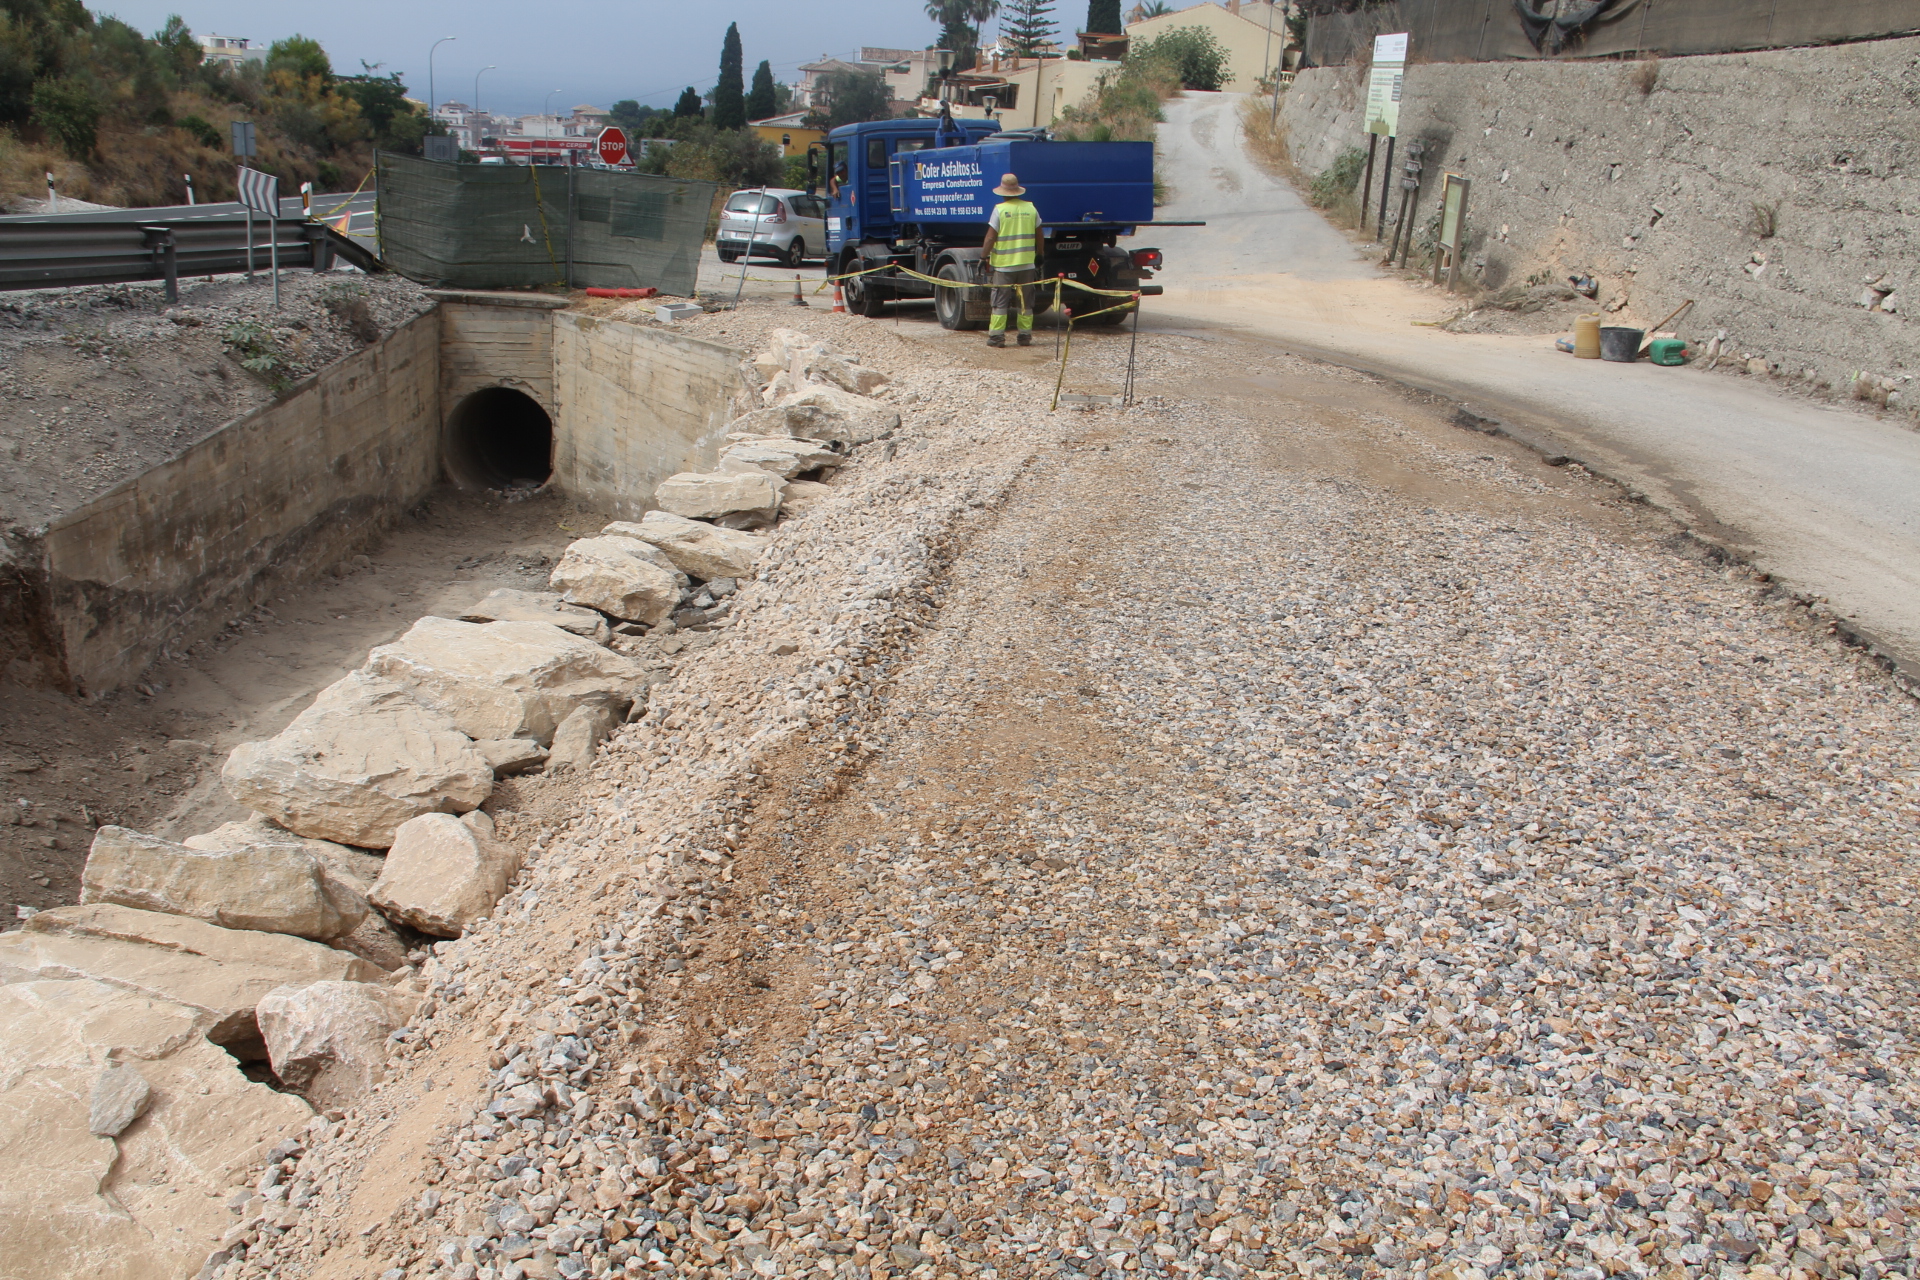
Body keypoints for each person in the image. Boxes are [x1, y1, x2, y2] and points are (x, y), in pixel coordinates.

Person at [978, 172, 1039, 348]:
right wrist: (1040, 254)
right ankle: (1025, 337)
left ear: (1003, 192)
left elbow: (990, 238)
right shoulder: (1031, 208)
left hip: (1004, 266)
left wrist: (983, 257)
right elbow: (1039, 234)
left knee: (1000, 302)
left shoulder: (1000, 210)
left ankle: (997, 337)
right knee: (1025, 303)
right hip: (1027, 264)